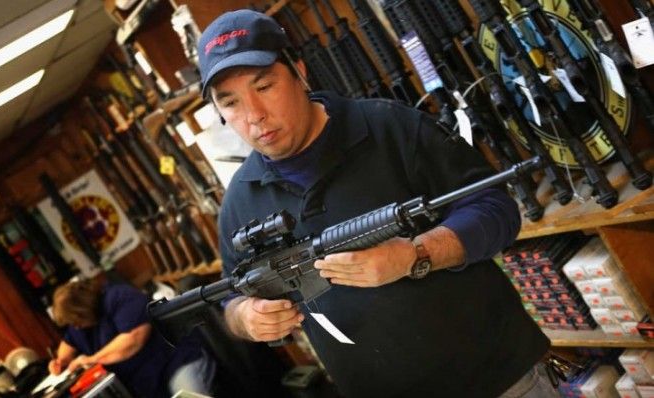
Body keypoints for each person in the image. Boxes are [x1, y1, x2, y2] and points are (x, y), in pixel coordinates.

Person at [197, 9, 556, 398]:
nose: (253, 116)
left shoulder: (390, 127)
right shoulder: (239, 201)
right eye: (230, 103)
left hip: (501, 379)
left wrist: (415, 255)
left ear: (299, 72)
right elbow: (232, 299)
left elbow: (497, 210)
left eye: (264, 87)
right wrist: (247, 320)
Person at [48, 278, 215, 397]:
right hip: (147, 386)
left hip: (176, 363)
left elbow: (134, 338)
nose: (75, 327)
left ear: (82, 309)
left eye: (75, 321)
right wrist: (60, 361)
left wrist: (92, 359)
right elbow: (67, 344)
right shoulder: (80, 325)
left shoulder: (119, 296)